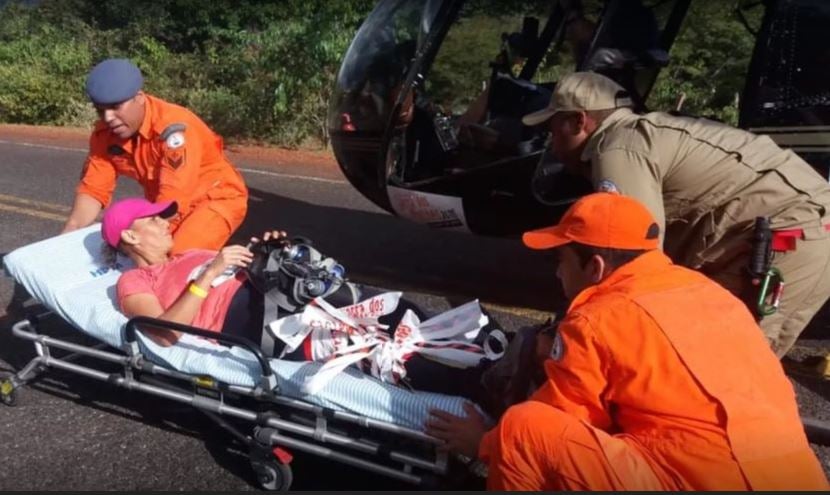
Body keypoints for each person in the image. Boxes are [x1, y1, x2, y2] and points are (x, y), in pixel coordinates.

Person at [426, 192, 829, 491]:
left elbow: (563, 419)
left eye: (560, 261)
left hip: (705, 481)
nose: (557, 274)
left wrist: (482, 441)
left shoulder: (597, 319)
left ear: (596, 266)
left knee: (523, 429)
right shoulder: (711, 294)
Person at [521, 70, 830, 358]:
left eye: (553, 128)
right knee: (684, 345)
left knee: (722, 360)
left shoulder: (618, 148)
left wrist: (577, 334)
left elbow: (630, 255)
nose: (552, 142)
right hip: (778, 230)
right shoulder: (640, 135)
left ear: (578, 121)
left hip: (790, 235)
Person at [101, 197, 500, 401]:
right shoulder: (134, 280)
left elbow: (240, 267)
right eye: (152, 219)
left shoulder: (188, 254)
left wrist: (267, 250)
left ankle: (494, 357)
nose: (164, 221)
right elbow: (162, 332)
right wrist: (208, 273)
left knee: (393, 308)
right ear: (131, 237)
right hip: (245, 317)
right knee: (367, 346)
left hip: (272, 288)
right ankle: (476, 389)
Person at [62, 58, 249, 254]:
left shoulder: (174, 131)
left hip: (214, 198)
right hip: (163, 206)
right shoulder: (105, 135)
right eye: (101, 111)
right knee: (133, 258)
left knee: (172, 260)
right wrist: (69, 232)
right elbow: (94, 189)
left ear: (140, 97)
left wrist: (143, 241)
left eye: (116, 107)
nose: (108, 118)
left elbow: (174, 197)